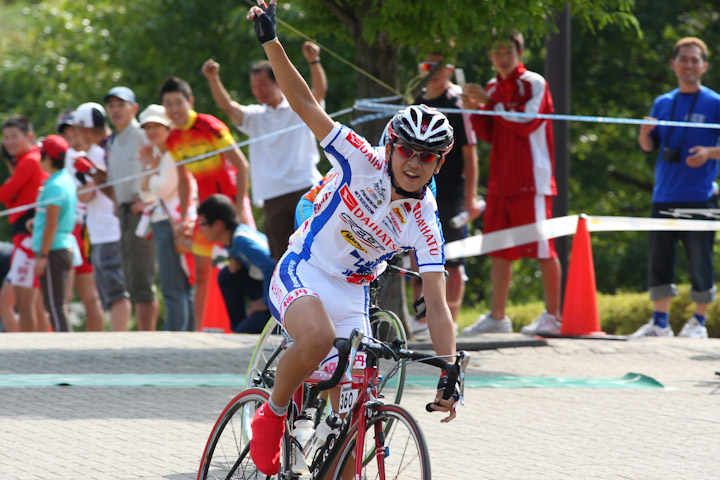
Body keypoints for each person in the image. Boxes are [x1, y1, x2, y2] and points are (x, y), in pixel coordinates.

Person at [247, 2, 458, 475]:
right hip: (306, 267)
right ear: (390, 146)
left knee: (356, 416)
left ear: (439, 164)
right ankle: (273, 413)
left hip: (352, 292)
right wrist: (271, 41)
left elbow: (438, 304)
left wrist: (450, 369)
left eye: (426, 158)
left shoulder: (425, 217)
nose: (412, 163)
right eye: (406, 150)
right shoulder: (361, 160)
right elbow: (305, 104)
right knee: (319, 338)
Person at [460, 30, 563, 336]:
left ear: (520, 53)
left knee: (544, 248)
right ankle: (498, 316)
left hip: (533, 178)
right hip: (501, 181)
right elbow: (490, 132)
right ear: (491, 56)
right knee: (498, 249)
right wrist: (474, 110)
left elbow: (526, 122)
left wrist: (489, 102)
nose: (502, 58)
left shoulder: (534, 82)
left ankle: (553, 317)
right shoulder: (491, 85)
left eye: (508, 52)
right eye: (497, 52)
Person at [202, 47, 326, 261]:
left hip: (305, 188)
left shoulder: (299, 107)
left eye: (262, 85)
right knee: (282, 258)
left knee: (319, 250)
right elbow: (229, 107)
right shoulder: (254, 116)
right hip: (272, 196)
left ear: (277, 82)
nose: (258, 91)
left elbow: (319, 91)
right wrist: (213, 79)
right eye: (254, 87)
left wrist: (314, 62)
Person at [633, 37, 720, 339]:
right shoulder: (663, 102)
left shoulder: (715, 103)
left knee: (701, 260)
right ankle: (660, 323)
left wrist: (709, 153)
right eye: (683, 59)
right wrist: (644, 132)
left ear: (704, 66)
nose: (688, 65)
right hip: (664, 195)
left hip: (700, 196)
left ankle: (699, 323)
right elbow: (648, 146)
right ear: (673, 65)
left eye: (695, 60)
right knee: (659, 258)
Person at [161, 76, 253, 331]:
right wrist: (184, 219)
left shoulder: (209, 125)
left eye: (178, 102)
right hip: (206, 209)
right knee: (201, 271)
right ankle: (196, 332)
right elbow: (184, 181)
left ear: (189, 101)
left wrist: (238, 209)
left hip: (231, 204)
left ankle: (256, 323)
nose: (174, 109)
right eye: (168, 104)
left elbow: (242, 166)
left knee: (248, 264)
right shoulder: (172, 139)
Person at [410, 52, 480, 336]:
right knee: (416, 256)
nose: (436, 71)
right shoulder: (417, 101)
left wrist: (471, 198)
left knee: (452, 259)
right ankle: (420, 320)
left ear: (452, 69)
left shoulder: (457, 103)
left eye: (443, 66)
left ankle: (450, 321)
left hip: (452, 192)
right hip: (420, 190)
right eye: (429, 65)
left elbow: (470, 154)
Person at [104, 86, 159, 331]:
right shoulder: (113, 140)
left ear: (134, 108)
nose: (115, 110)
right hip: (125, 213)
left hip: (142, 211)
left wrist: (149, 199)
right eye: (111, 105)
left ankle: (146, 337)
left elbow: (161, 164)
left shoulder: (141, 134)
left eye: (120, 104)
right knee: (132, 278)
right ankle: (141, 335)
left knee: (143, 277)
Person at [74, 102, 132, 330]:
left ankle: (119, 337)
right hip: (100, 229)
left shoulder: (98, 153)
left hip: (109, 228)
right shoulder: (95, 151)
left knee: (116, 289)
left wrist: (86, 174)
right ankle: (116, 335)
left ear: (85, 129)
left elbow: (87, 195)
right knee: (107, 288)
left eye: (78, 129)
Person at [137, 104, 196, 332]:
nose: (152, 131)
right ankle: (186, 333)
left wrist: (149, 168)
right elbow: (145, 191)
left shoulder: (170, 155)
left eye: (157, 126)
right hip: (169, 223)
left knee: (173, 285)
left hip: (171, 224)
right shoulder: (161, 156)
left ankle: (175, 334)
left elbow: (158, 189)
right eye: (148, 127)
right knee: (180, 284)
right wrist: (151, 170)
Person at [56, 110, 105, 331]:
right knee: (63, 294)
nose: (74, 140)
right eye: (69, 136)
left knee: (90, 296)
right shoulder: (62, 160)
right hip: (66, 230)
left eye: (77, 133)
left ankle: (96, 344)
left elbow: (89, 193)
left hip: (85, 230)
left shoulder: (92, 158)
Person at [197, 194, 274, 333]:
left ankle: (246, 328)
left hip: (277, 298)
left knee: (242, 332)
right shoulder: (232, 239)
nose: (200, 229)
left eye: (202, 224)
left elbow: (271, 264)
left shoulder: (240, 239)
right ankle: (239, 327)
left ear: (218, 224)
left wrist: (265, 302)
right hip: (264, 286)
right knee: (227, 274)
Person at [0, 115, 49, 332]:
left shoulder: (30, 160)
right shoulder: (25, 161)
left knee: (23, 302)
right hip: (23, 237)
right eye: (6, 137)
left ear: (29, 136)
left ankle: (30, 349)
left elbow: (5, 193)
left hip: (28, 238)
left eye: (14, 137)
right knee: (30, 303)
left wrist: (11, 193)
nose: (9, 142)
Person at [31, 135, 77, 332]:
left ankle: (66, 350)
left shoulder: (54, 186)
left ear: (50, 158)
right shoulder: (64, 179)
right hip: (61, 246)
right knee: (56, 305)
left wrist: (42, 255)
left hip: (53, 250)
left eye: (41, 154)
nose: (39, 158)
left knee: (55, 307)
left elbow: (51, 224)